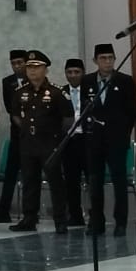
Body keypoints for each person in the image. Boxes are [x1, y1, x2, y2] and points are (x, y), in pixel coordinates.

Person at [8, 50, 73, 233]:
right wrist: (27, 128)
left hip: (50, 144)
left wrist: (55, 136)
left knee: (56, 182)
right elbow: (15, 115)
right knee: (29, 181)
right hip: (28, 143)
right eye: (29, 67)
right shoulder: (20, 92)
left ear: (45, 69)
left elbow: (68, 119)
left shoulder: (57, 92)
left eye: (37, 67)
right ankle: (29, 218)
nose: (32, 71)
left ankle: (60, 220)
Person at [84, 41, 136, 237]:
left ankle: (120, 222)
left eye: (110, 58)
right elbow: (84, 109)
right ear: (95, 61)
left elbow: (131, 112)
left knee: (119, 180)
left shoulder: (125, 81)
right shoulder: (87, 81)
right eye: (103, 58)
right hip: (94, 140)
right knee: (95, 181)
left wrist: (123, 134)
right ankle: (96, 221)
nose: (107, 62)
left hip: (116, 140)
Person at [0, 50, 29, 222]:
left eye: (20, 63)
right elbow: (10, 108)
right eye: (13, 63)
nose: (17, 66)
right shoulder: (8, 82)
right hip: (16, 133)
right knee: (10, 173)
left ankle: (31, 212)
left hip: (34, 134)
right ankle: (3, 210)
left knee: (31, 174)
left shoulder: (34, 80)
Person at [59, 58, 90, 228]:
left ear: (83, 73)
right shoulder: (60, 92)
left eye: (76, 72)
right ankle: (75, 215)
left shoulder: (90, 90)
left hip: (87, 140)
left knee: (92, 179)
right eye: (69, 72)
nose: (73, 75)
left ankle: (95, 214)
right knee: (71, 180)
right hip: (68, 141)